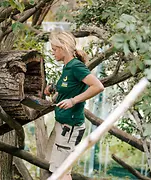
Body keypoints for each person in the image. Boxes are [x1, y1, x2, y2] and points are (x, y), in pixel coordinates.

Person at [44, 31, 104, 180]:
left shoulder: (76, 66)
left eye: (54, 49)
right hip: (62, 124)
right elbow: (69, 87)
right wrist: (53, 89)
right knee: (58, 170)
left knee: (63, 172)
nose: (52, 53)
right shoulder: (67, 67)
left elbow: (98, 86)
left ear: (63, 47)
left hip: (70, 128)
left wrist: (73, 100)